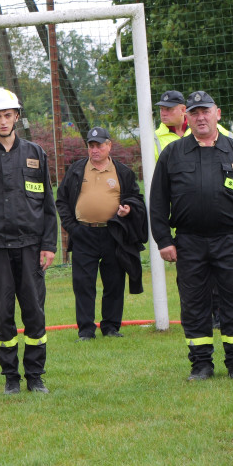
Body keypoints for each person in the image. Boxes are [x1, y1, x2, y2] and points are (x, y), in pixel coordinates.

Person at [150, 91, 233, 381]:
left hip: (228, 240)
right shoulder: (172, 154)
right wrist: (164, 240)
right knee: (193, 302)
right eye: (194, 112)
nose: (200, 117)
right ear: (187, 118)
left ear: (218, 113)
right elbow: (157, 201)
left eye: (205, 111)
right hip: (188, 241)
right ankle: (201, 363)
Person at [0, 88, 56, 395]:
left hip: (31, 248)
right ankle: (11, 378)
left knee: (34, 313)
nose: (2, 121)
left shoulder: (35, 153)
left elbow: (48, 205)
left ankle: (36, 376)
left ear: (16, 116)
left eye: (7, 115)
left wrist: (49, 245)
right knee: (2, 314)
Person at [55, 127, 147, 342]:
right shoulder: (77, 170)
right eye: (91, 145)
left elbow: (136, 198)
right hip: (83, 234)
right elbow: (61, 200)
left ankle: (111, 326)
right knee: (83, 283)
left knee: (114, 281)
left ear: (109, 146)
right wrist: (73, 228)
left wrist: (129, 209)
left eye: (99, 145)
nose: (95, 150)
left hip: (113, 234)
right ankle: (86, 330)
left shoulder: (123, 172)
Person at [154, 88, 233, 329]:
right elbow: (158, 189)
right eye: (161, 109)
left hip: (223, 227)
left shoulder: (226, 136)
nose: (164, 113)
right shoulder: (156, 140)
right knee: (193, 287)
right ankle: (200, 338)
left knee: (225, 283)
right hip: (187, 227)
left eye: (169, 108)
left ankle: (221, 317)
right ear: (188, 115)